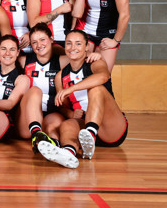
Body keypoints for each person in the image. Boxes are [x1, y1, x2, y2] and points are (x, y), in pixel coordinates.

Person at [37, 29, 128, 169]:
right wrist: (70, 114)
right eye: (69, 43)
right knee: (66, 125)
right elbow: (62, 106)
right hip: (83, 128)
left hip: (110, 127)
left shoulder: (95, 63)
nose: (73, 48)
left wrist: (72, 88)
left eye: (78, 44)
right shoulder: (61, 76)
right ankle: (68, 152)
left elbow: (103, 77)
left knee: (96, 89)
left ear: (87, 47)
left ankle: (91, 134)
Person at [14, 23, 100, 154]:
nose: (39, 45)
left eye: (43, 40)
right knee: (35, 90)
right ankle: (36, 135)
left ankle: (54, 149)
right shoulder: (23, 61)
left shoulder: (62, 61)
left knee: (55, 127)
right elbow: (4, 62)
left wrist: (96, 56)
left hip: (51, 112)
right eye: (34, 42)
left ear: (51, 39)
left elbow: (80, 56)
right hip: (26, 119)